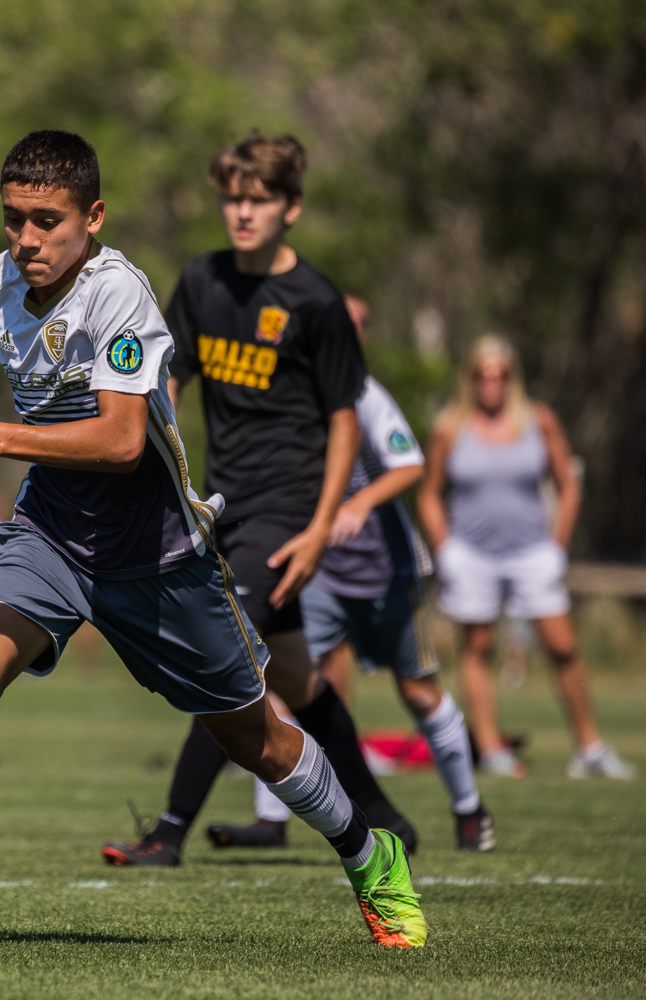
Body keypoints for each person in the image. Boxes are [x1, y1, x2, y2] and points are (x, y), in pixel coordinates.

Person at [0, 131, 426, 948]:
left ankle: (370, 855)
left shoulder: (121, 297)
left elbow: (120, 442)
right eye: (13, 220)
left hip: (159, 554)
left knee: (256, 741)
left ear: (94, 217)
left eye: (48, 220)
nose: (28, 240)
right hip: (52, 533)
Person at [101, 132, 417, 869]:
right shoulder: (204, 280)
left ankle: (169, 834)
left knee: (223, 657)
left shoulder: (316, 301)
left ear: (291, 208)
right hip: (221, 506)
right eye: (232, 198)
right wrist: (158, 455)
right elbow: (165, 374)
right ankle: (384, 813)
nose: (242, 213)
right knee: (296, 677)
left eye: (259, 200)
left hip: (286, 512)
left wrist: (318, 527)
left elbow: (345, 418)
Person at [207, 301, 493, 852]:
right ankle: (274, 819)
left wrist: (358, 507)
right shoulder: (288, 394)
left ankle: (469, 810)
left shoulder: (365, 394)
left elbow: (410, 465)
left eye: (358, 325)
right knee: (285, 678)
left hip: (386, 572)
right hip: (320, 572)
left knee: (418, 692)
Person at [417, 335, 633, 780]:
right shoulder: (450, 426)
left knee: (563, 647)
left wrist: (558, 545)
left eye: (500, 375)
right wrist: (445, 548)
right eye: (482, 375)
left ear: (513, 377)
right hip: (472, 554)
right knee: (477, 648)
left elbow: (568, 485)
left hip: (532, 552)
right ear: (471, 378)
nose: (491, 384)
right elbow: (429, 495)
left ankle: (590, 749)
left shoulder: (539, 420)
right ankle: (492, 750)